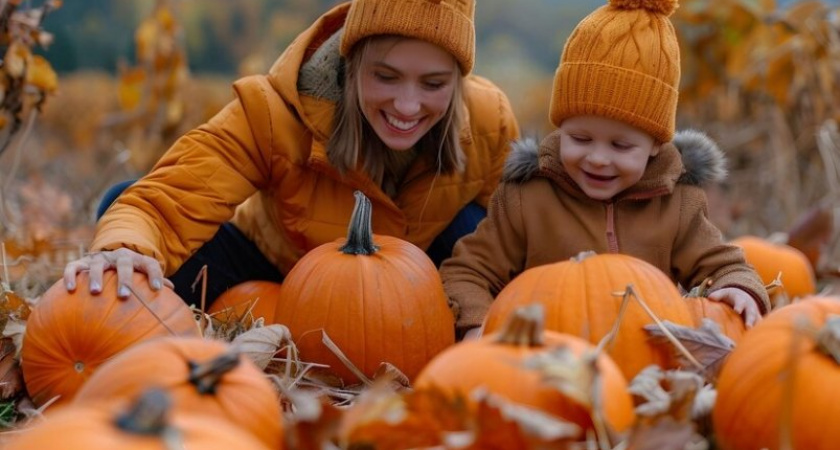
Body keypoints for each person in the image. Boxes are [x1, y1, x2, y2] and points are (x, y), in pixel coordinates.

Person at [63, 0, 520, 306]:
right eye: (385, 76)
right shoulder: (275, 111)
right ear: (352, 61)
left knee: (479, 228)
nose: (406, 105)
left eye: (433, 84)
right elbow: (168, 200)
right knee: (124, 207)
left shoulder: (487, 121)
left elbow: (517, 235)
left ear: (457, 82)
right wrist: (127, 245)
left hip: (404, 288)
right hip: (274, 268)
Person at [440, 0, 771, 340]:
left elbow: (722, 264)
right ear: (560, 127)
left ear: (656, 145)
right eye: (580, 138)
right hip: (546, 362)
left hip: (642, 358)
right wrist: (477, 325)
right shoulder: (528, 197)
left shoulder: (677, 202)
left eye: (620, 146)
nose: (598, 158)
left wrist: (739, 287)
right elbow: (469, 270)